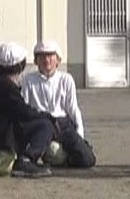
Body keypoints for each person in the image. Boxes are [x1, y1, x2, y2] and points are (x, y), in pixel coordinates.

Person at [0, 42, 54, 178]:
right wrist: (46, 116)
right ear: (20, 65)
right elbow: (23, 112)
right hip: (3, 136)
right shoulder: (7, 86)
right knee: (45, 125)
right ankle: (26, 160)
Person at [21, 39, 96, 168]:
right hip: (41, 124)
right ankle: (27, 161)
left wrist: (80, 136)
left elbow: (73, 109)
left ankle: (66, 160)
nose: (46, 60)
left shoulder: (66, 79)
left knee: (88, 159)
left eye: (50, 56)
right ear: (36, 60)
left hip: (62, 125)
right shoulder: (28, 80)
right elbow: (24, 109)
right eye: (42, 56)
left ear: (58, 60)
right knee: (29, 156)